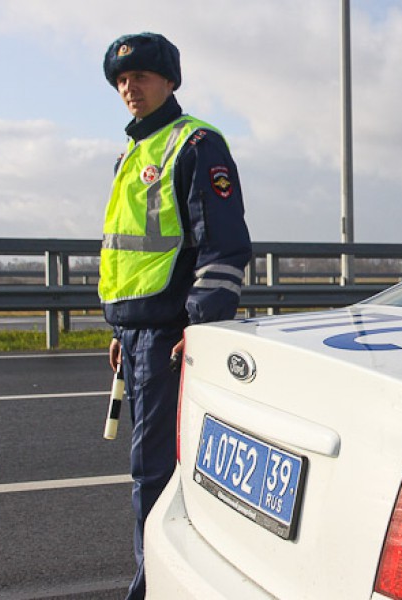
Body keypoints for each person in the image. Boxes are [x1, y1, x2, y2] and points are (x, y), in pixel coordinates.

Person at [99, 32, 252, 599]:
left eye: (139, 76)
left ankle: (152, 589)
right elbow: (128, 257)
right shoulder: (132, 154)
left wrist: (201, 326)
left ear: (169, 80)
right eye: (120, 80)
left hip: (170, 335)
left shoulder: (195, 145)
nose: (128, 88)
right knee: (155, 473)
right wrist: (120, 328)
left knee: (157, 474)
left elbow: (223, 247)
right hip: (138, 335)